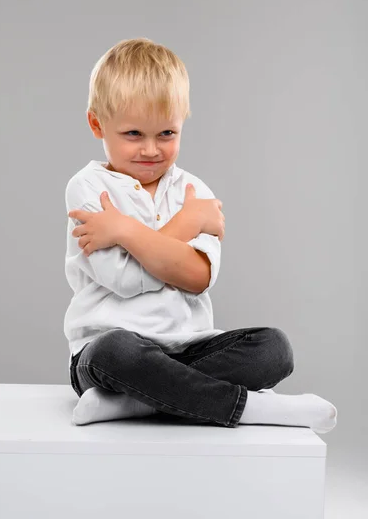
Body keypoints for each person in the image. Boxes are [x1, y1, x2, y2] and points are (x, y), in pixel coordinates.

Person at [65, 37, 337, 432]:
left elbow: (197, 278)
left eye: (167, 134)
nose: (151, 149)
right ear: (97, 124)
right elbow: (124, 281)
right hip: (107, 353)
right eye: (133, 134)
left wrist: (124, 231)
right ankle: (248, 409)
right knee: (117, 351)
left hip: (190, 347)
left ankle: (139, 401)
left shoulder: (196, 195)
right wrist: (185, 226)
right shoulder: (87, 188)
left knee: (274, 349)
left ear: (182, 123)